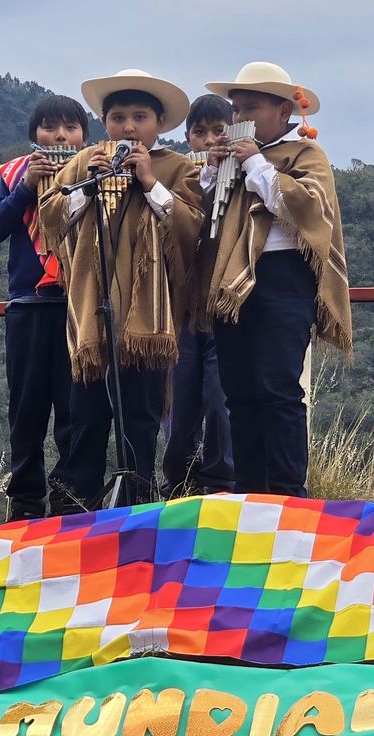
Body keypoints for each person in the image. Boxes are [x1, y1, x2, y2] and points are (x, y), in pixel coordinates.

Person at [39, 69, 203, 510]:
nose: (128, 127)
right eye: (117, 118)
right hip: (92, 316)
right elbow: (49, 218)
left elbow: (192, 231)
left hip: (148, 320)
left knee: (140, 419)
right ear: (104, 122)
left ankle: (138, 504)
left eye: (139, 117)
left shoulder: (177, 168)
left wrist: (150, 183)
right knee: (85, 417)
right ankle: (76, 506)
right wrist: (86, 187)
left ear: (160, 122)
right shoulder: (84, 162)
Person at [196, 62, 352, 497]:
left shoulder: (305, 154)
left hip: (284, 277)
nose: (239, 117)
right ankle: (249, 492)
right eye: (236, 109)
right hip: (230, 283)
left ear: (284, 111)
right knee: (238, 393)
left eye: (251, 107)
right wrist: (211, 172)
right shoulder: (230, 159)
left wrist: (256, 163)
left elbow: (307, 212)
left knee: (278, 389)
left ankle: (287, 493)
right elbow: (204, 219)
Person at [0, 94, 88, 521]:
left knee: (73, 408)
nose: (60, 136)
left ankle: (68, 496)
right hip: (27, 306)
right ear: (34, 136)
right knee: (26, 408)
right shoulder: (13, 176)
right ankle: (26, 500)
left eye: (70, 128)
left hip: (78, 305)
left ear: (84, 137)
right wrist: (26, 189)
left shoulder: (95, 173)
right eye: (50, 127)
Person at [162, 94, 235, 498]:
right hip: (185, 303)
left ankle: (221, 480)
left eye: (218, 131)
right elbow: (180, 221)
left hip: (224, 300)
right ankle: (179, 480)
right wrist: (206, 176)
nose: (209, 141)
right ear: (188, 138)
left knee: (220, 396)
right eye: (199, 132)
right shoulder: (183, 175)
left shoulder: (246, 169)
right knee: (181, 393)